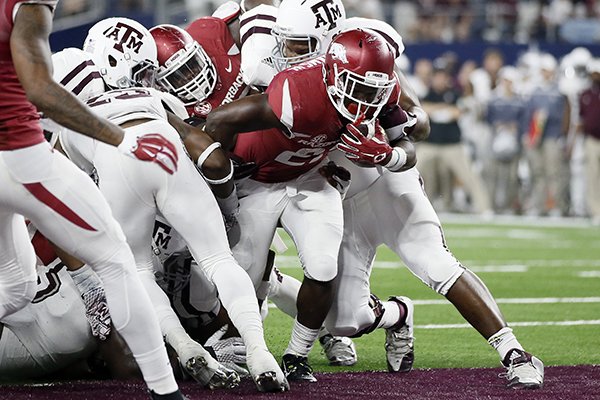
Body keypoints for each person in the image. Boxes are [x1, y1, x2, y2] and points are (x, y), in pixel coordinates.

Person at [245, 0, 544, 389]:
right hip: (337, 194)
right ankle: (397, 313)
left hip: (386, 180)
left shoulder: (363, 48)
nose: (287, 53)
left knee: (435, 263)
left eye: (300, 45)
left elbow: (416, 120)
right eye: (287, 42)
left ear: (326, 39)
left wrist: (389, 151)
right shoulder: (271, 64)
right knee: (344, 320)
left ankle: (515, 353)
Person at [56, 28, 288, 392]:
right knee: (219, 261)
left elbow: (67, 197)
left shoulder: (68, 121)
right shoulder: (152, 94)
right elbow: (210, 157)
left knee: (138, 271)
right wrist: (227, 207)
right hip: (163, 146)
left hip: (117, 162)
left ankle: (183, 347)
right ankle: (259, 351)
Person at [205, 27, 416, 383]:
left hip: (311, 179)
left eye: (373, 91)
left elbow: (408, 146)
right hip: (257, 182)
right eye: (358, 87)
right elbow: (220, 119)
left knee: (321, 266)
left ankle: (296, 355)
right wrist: (223, 169)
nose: (365, 100)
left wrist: (389, 155)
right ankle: (231, 340)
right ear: (333, 75)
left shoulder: (381, 87)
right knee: (243, 274)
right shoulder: (297, 93)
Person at [149, 16, 357, 368]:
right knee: (202, 279)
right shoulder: (158, 104)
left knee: (242, 273)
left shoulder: (237, 59)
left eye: (193, 66)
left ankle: (314, 331)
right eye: (178, 76)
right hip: (195, 189)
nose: (193, 79)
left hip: (251, 179)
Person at [0, 2, 184, 398]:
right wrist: (126, 138)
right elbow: (40, 89)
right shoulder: (28, 8)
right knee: (117, 260)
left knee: (14, 286)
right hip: (19, 159)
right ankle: (167, 392)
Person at [523, 53, 571, 217]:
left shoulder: (559, 90)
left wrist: (562, 135)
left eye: (548, 70)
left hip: (552, 136)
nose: (546, 73)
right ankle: (539, 205)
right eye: (543, 70)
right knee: (537, 172)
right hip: (536, 138)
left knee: (554, 173)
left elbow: (566, 114)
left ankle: (557, 206)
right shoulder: (535, 91)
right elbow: (528, 115)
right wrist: (528, 134)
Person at [577, 59, 600, 225]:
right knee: (591, 176)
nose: (595, 76)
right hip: (591, 139)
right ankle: (595, 210)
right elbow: (580, 120)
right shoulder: (585, 94)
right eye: (593, 73)